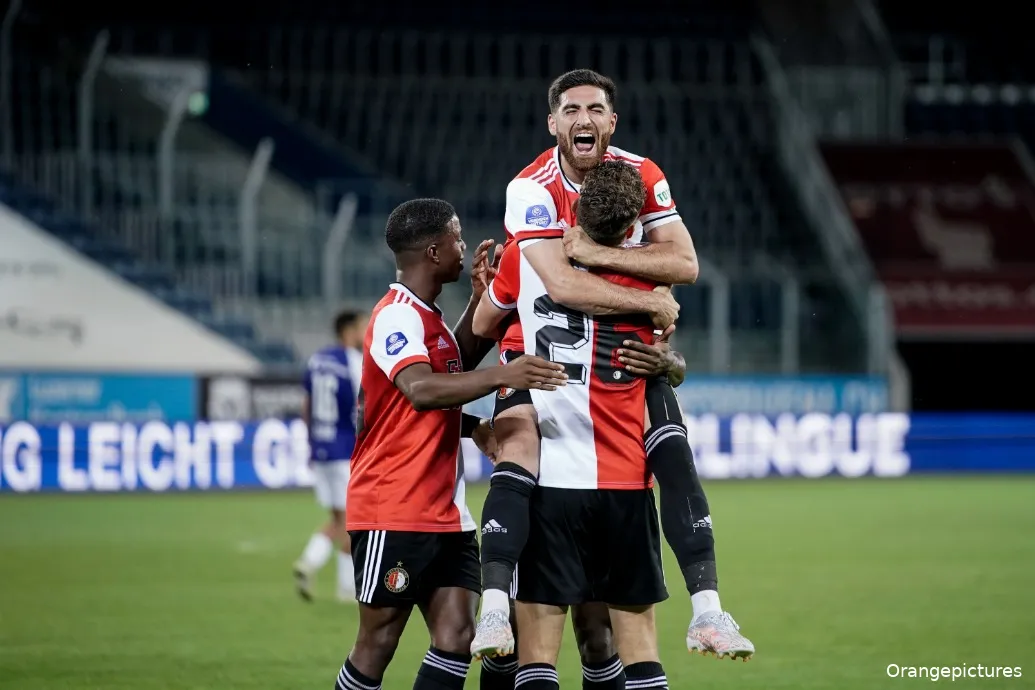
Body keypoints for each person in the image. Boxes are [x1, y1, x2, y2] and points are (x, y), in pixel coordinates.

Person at [470, 68, 754, 673]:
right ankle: (707, 605)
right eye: (571, 109)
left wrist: (592, 252)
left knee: (563, 635)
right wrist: (653, 302)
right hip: (576, 385)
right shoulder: (530, 190)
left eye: (596, 109)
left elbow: (684, 262)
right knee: (670, 462)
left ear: (612, 122)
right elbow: (581, 283)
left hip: (568, 383)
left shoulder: (638, 174)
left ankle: (493, 601)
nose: (584, 119)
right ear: (553, 123)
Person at [331, 198, 568, 690]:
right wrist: (505, 374)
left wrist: (482, 301)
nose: (465, 247)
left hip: (446, 512)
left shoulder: (430, 319)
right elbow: (420, 391)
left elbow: (452, 367)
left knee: (458, 636)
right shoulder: (396, 317)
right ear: (434, 251)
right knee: (378, 643)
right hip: (391, 507)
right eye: (457, 239)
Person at [488, 160, 672, 689]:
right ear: (635, 219)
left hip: (551, 478)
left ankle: (495, 599)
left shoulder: (528, 258)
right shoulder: (648, 277)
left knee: (537, 655)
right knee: (623, 644)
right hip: (625, 479)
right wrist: (661, 320)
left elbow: (481, 326)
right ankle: (710, 602)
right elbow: (672, 345)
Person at [294, 309, 369, 603]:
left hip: (321, 448)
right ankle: (347, 588)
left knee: (340, 518)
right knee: (353, 520)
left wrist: (312, 443)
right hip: (344, 449)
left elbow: (306, 405)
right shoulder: (353, 362)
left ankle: (309, 563)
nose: (367, 332)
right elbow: (362, 408)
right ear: (349, 331)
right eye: (364, 327)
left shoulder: (317, 360)